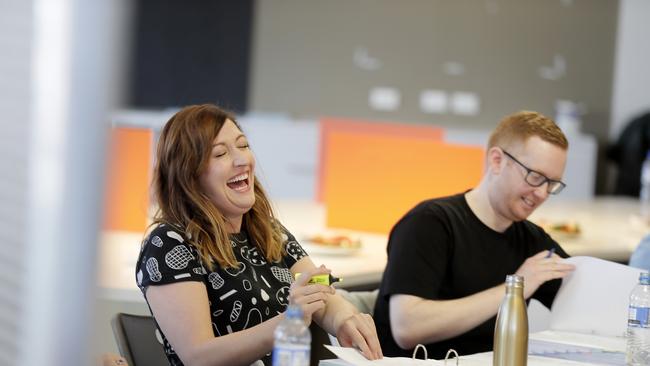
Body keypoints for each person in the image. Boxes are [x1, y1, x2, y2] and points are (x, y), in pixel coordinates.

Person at [135, 104, 382, 366]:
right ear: (189, 176)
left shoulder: (269, 231)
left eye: (242, 145)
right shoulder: (168, 244)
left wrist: (345, 317)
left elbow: (316, 288)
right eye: (220, 154)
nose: (242, 160)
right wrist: (288, 322)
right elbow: (199, 357)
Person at [373, 110, 576, 358]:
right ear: (497, 160)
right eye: (535, 177)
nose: (543, 194)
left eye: (552, 184)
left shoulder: (533, 240)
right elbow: (407, 327)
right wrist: (513, 289)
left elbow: (585, 301)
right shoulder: (430, 223)